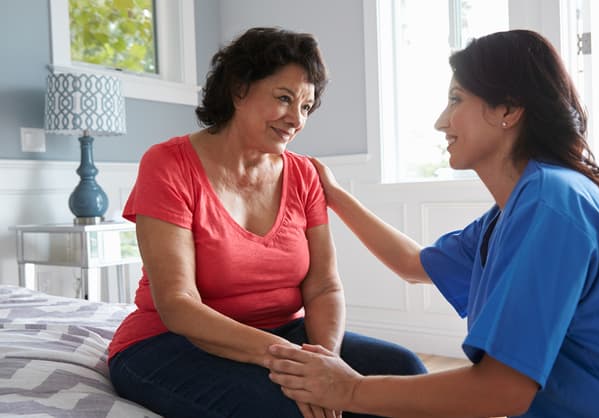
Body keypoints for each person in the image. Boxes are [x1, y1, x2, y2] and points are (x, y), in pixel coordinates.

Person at [266, 29, 599, 418]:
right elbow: (412, 264)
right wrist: (335, 194)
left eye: (456, 99)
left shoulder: (551, 203)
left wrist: (350, 391)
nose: (441, 121)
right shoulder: (518, 208)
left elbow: (500, 391)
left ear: (509, 110)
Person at [107, 27, 426, 418]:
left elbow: (324, 285)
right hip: (170, 343)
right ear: (239, 89)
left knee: (407, 373)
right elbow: (178, 305)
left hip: (285, 335)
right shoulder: (168, 164)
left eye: (306, 107)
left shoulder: (304, 174)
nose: (296, 119)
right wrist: (292, 363)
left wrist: (324, 363)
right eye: (284, 99)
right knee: (285, 408)